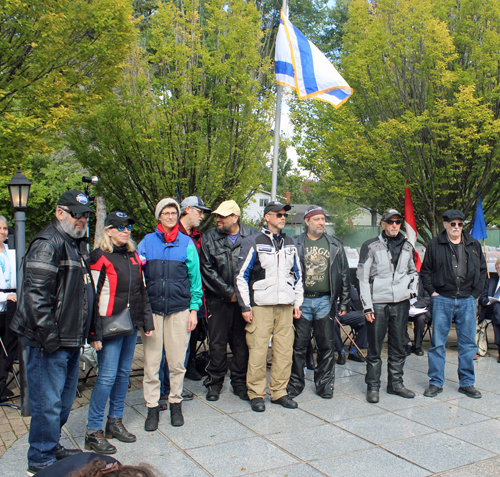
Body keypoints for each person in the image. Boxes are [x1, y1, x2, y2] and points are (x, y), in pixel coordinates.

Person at [11, 190, 94, 475]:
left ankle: (49, 444)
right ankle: (40, 459)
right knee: (47, 404)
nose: (82, 220)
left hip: (69, 339)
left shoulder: (75, 243)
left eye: (85, 215)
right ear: (60, 213)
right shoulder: (49, 243)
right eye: (76, 214)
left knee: (63, 401)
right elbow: (35, 297)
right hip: (49, 342)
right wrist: (50, 341)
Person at [85, 212, 154, 454]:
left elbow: (142, 292)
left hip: (130, 325)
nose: (126, 231)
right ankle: (93, 431)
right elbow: (90, 297)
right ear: (109, 231)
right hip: (108, 327)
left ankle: (115, 421)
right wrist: (93, 332)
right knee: (106, 377)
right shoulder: (99, 257)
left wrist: (147, 323)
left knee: (124, 375)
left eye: (128, 227)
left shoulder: (133, 256)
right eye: (121, 227)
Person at [137, 198, 203, 429]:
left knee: (176, 363)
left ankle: (176, 403)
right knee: (152, 363)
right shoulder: (146, 242)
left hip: (179, 310)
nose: (170, 216)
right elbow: (139, 276)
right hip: (153, 311)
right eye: (165, 213)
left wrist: (194, 310)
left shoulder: (186, 243)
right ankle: (152, 408)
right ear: (159, 216)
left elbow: (195, 280)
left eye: (174, 212)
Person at [235, 201, 303, 412]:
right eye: (278, 214)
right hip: (261, 306)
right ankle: (256, 393)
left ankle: (279, 392)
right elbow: (240, 276)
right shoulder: (253, 241)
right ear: (267, 217)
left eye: (284, 215)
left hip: (285, 306)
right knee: (258, 351)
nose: (283, 218)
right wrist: (245, 306)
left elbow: (298, 275)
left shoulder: (291, 242)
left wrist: (297, 302)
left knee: (284, 351)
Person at [420, 209, 487, 399]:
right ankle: (435, 382)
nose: (456, 227)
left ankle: (466, 383)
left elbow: (482, 271)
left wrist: (475, 294)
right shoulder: (434, 244)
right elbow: (425, 271)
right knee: (437, 344)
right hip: (442, 299)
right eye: (452, 224)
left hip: (467, 299)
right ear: (445, 225)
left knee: (467, 343)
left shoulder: (473, 244)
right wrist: (433, 292)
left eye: (459, 224)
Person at [287, 206, 350, 398]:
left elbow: (344, 274)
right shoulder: (295, 244)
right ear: (307, 221)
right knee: (298, 346)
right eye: (317, 219)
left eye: (323, 219)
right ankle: (296, 383)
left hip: (325, 301)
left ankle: (324, 385)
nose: (321, 222)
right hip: (302, 301)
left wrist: (345, 302)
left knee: (326, 346)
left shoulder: (335, 245)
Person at [357, 208, 418, 404]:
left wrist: (411, 292)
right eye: (390, 222)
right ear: (383, 224)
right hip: (378, 303)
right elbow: (363, 278)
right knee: (374, 347)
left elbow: (413, 272)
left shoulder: (408, 246)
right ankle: (373, 386)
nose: (394, 225)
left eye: (398, 222)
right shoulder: (371, 246)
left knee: (398, 345)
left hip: (400, 303)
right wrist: (367, 306)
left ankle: (396, 384)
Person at [200, 200, 256, 402]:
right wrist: (228, 292)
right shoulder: (209, 237)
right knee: (216, 343)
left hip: (244, 302)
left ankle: (239, 383)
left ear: (235, 217)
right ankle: (214, 383)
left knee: (241, 344)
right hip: (219, 300)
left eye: (223, 216)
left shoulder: (252, 234)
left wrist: (242, 295)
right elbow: (206, 269)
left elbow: (257, 267)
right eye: (217, 216)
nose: (218, 219)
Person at [178, 196, 211, 382]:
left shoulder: (198, 236)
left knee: (193, 334)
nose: (202, 216)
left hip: (196, 295)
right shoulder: (173, 233)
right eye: (200, 211)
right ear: (188, 209)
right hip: (178, 294)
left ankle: (189, 365)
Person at [0, 215, 17, 402]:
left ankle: (3, 382)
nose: (3, 232)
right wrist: (5, 296)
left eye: (5, 228)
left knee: (9, 344)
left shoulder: (12, 252)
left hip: (12, 304)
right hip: (2, 299)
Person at [335, 284, 367, 364]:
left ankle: (354, 351)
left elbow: (355, 297)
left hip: (347, 311)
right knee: (332, 323)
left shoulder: (344, 280)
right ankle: (340, 351)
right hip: (332, 312)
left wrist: (347, 282)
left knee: (365, 320)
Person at [478, 258, 500, 362]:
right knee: (496, 308)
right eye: (499, 268)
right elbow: (482, 299)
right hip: (490, 310)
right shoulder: (490, 281)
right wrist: (488, 301)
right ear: (496, 269)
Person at [404, 278, 431, 357]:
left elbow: (427, 298)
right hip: (406, 306)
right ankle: (407, 343)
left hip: (421, 308)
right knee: (398, 316)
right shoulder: (405, 278)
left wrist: (414, 306)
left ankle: (417, 345)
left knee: (421, 318)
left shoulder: (426, 279)